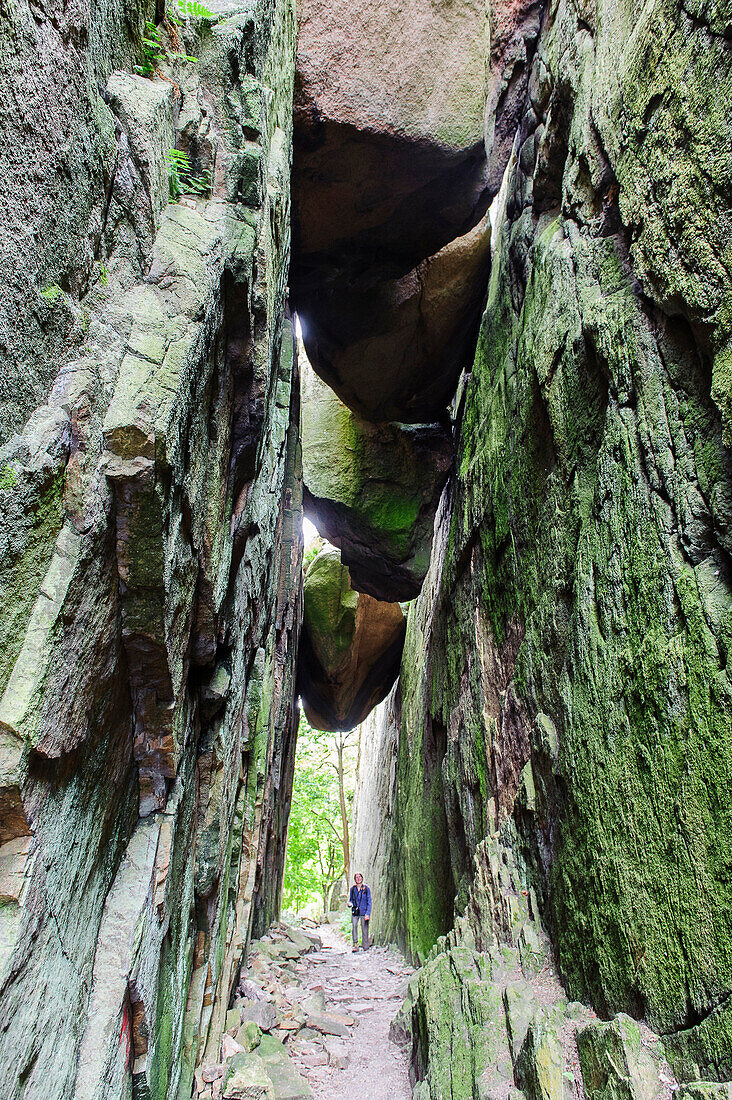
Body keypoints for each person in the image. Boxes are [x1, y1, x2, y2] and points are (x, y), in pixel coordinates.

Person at [349, 872, 371, 952]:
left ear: (362, 878)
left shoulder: (366, 889)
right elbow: (351, 899)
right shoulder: (353, 889)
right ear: (355, 879)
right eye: (356, 877)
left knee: (364, 928)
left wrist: (368, 913)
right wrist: (349, 904)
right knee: (354, 926)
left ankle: (365, 946)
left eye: (359, 877)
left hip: (364, 911)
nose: (358, 878)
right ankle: (355, 945)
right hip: (355, 912)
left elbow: (369, 901)